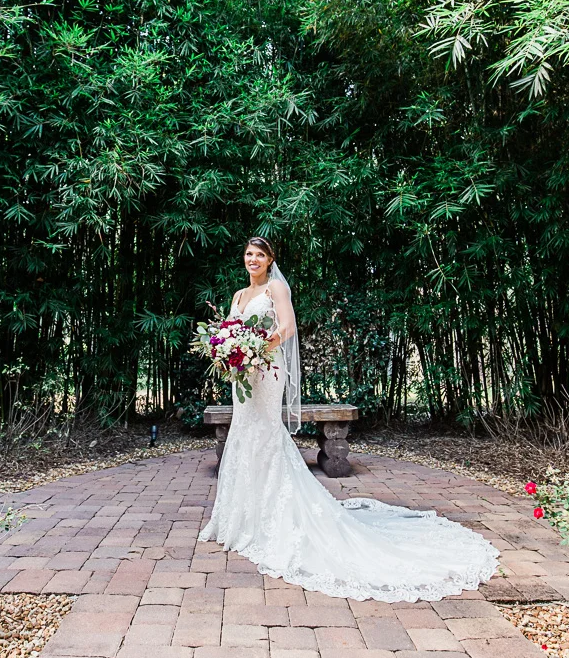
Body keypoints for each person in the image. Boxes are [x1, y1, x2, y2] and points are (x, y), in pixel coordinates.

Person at [198, 236, 500, 602]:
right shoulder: (238, 295)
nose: (253, 259)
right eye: (249, 254)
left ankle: (269, 520)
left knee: (265, 435)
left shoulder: (276, 288)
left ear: (270, 260)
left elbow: (287, 327)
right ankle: (240, 519)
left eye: (260, 255)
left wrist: (256, 349)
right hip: (244, 376)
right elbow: (229, 331)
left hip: (266, 370)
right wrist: (229, 351)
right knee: (244, 434)